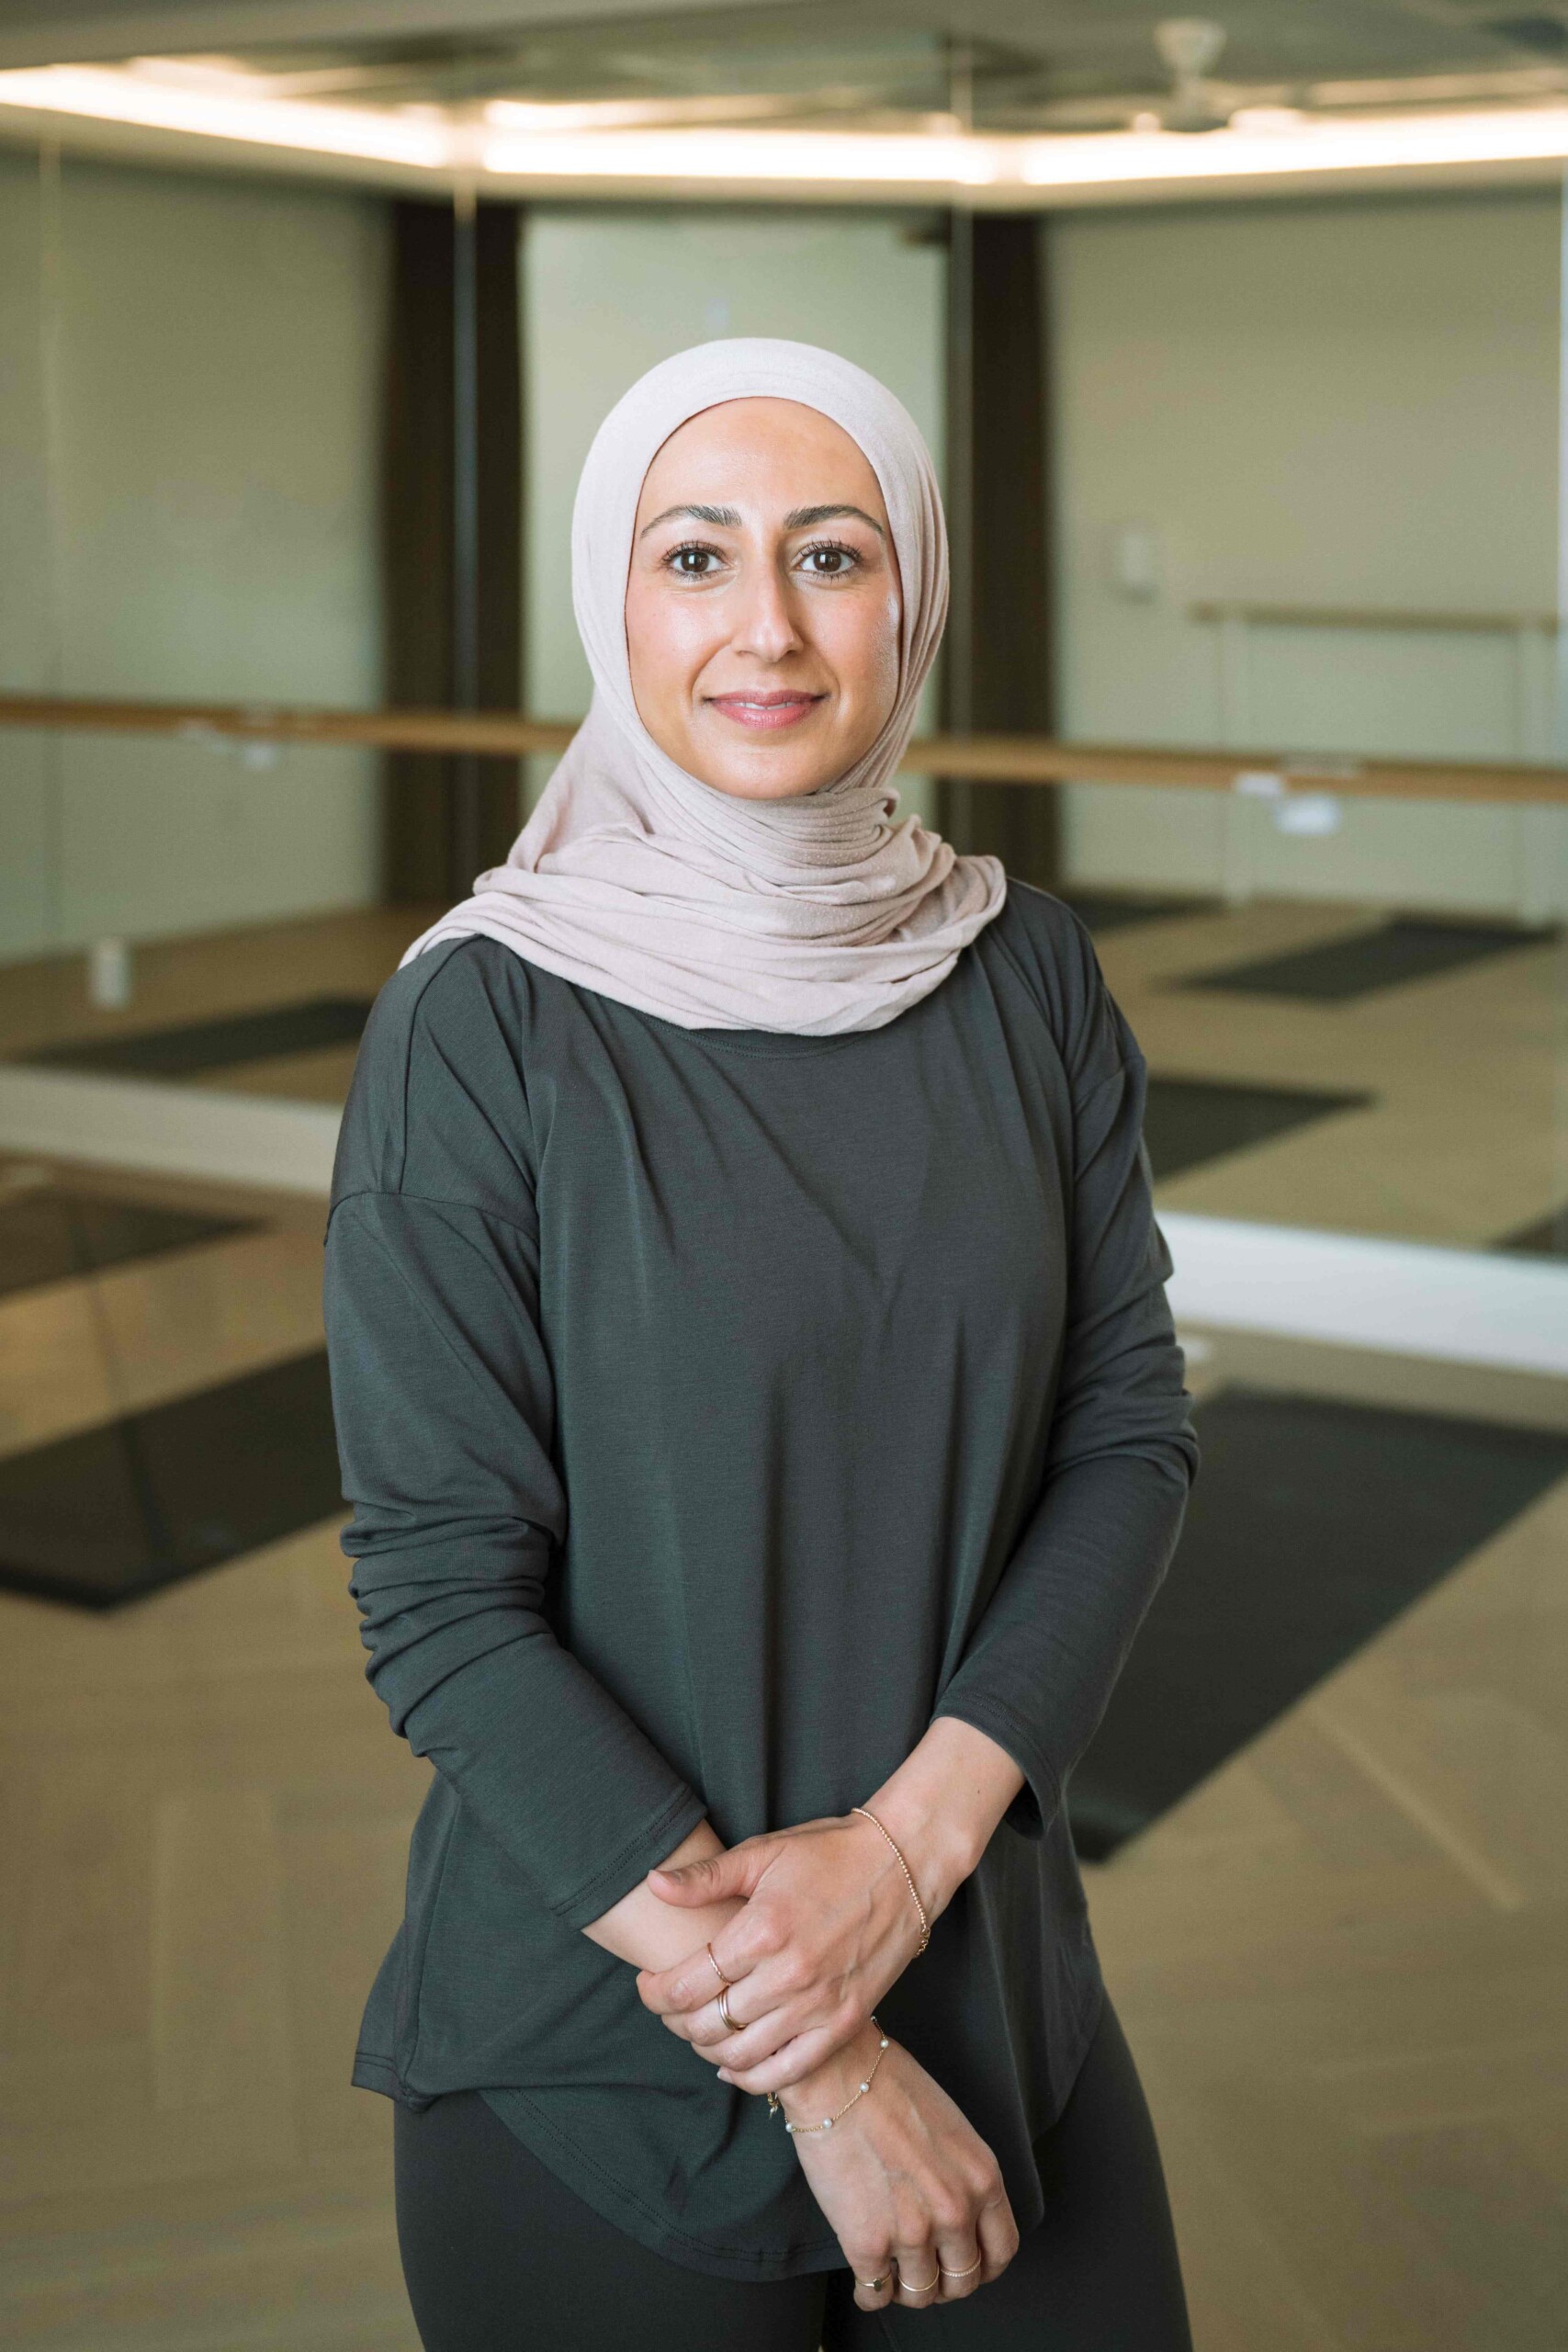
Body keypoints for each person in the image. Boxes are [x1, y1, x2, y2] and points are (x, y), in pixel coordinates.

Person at [323, 339, 1198, 2351]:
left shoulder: (1024, 971)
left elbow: (1123, 1435)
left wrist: (904, 1864)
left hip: (985, 1970)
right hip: (601, 2026)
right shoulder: (484, 1024)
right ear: (607, 605)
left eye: (832, 554)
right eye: (694, 557)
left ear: (918, 598)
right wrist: (815, 2050)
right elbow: (445, 1600)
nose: (768, 628)